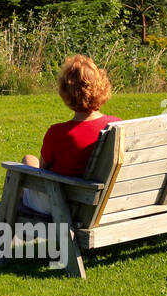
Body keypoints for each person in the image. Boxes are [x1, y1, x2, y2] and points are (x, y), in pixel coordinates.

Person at [20, 55, 120, 212]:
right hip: (96, 205)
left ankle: (13, 222)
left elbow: (42, 169)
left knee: (28, 160)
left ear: (66, 92)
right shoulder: (116, 126)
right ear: (102, 87)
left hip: (59, 203)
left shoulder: (59, 133)